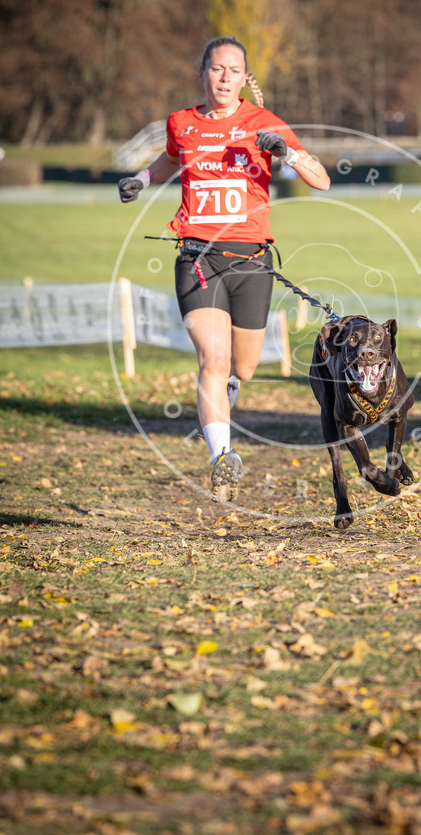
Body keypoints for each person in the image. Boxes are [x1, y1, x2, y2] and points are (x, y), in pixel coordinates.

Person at [118, 36, 330, 498]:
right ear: (203, 73)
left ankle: (226, 394)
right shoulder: (181, 122)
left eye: (234, 70)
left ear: (244, 77)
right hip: (198, 257)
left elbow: (322, 180)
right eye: (217, 69)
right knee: (212, 359)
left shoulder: (264, 123)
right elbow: (171, 157)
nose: (225, 78)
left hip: (251, 261)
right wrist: (142, 178)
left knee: (243, 367)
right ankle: (222, 456)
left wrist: (286, 152)